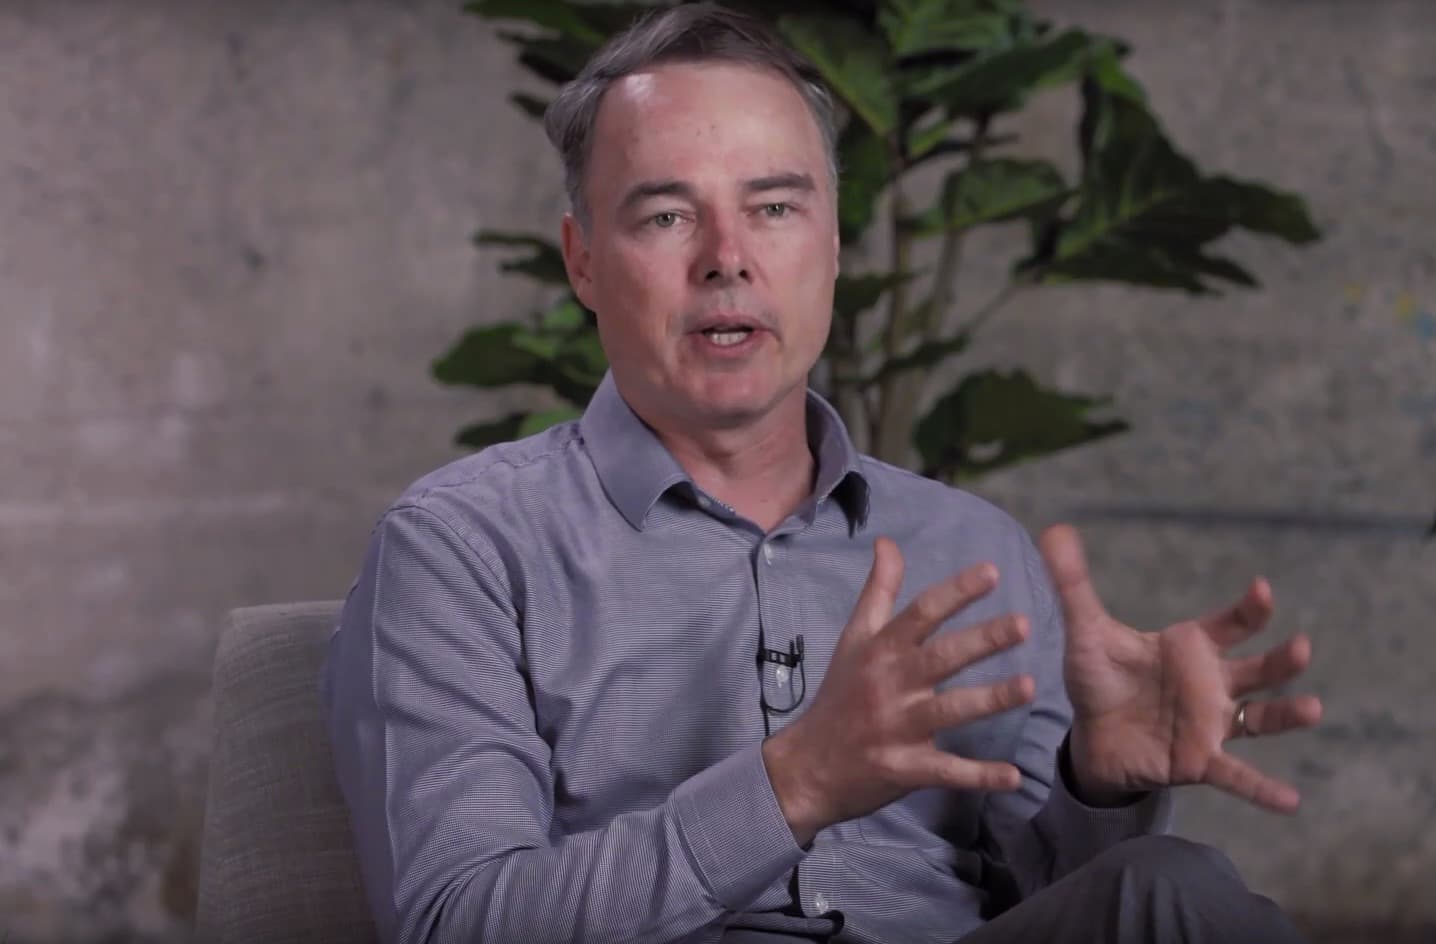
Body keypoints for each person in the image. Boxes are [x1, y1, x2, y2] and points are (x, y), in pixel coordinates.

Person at [319, 4, 1323, 943]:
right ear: (582, 260)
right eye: (666, 216)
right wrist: (789, 784)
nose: (727, 258)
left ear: (832, 246)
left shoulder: (968, 545)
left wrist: (1098, 782)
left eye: (772, 208)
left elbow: (1044, 893)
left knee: (1170, 885)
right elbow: (457, 917)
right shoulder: (463, 546)